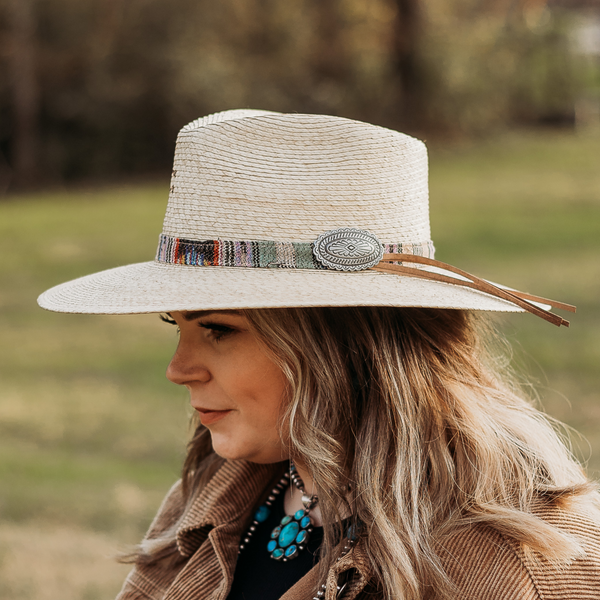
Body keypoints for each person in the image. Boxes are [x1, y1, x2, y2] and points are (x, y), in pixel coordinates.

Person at [38, 110, 600, 600]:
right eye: (176, 325)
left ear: (344, 345)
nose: (177, 368)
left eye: (219, 329)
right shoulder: (221, 487)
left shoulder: (522, 560)